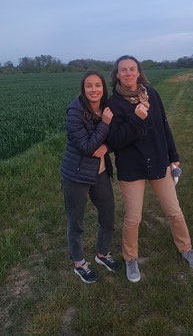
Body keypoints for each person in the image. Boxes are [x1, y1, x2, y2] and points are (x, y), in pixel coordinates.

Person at [106, 55, 193, 283]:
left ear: (138, 72)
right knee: (133, 217)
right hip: (132, 168)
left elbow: (164, 125)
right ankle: (131, 258)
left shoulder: (152, 95)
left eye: (132, 69)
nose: (128, 73)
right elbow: (116, 141)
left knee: (174, 211)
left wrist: (174, 157)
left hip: (159, 162)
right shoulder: (114, 104)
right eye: (123, 70)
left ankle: (187, 249)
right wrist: (137, 119)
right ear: (117, 75)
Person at [60, 70, 120, 284]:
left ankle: (102, 253)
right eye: (89, 85)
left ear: (103, 87)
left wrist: (107, 145)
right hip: (76, 175)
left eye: (98, 85)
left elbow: (114, 138)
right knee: (76, 222)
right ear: (83, 89)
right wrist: (104, 124)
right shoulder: (75, 112)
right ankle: (79, 263)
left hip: (101, 173)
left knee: (108, 215)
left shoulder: (108, 107)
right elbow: (86, 147)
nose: (94, 89)